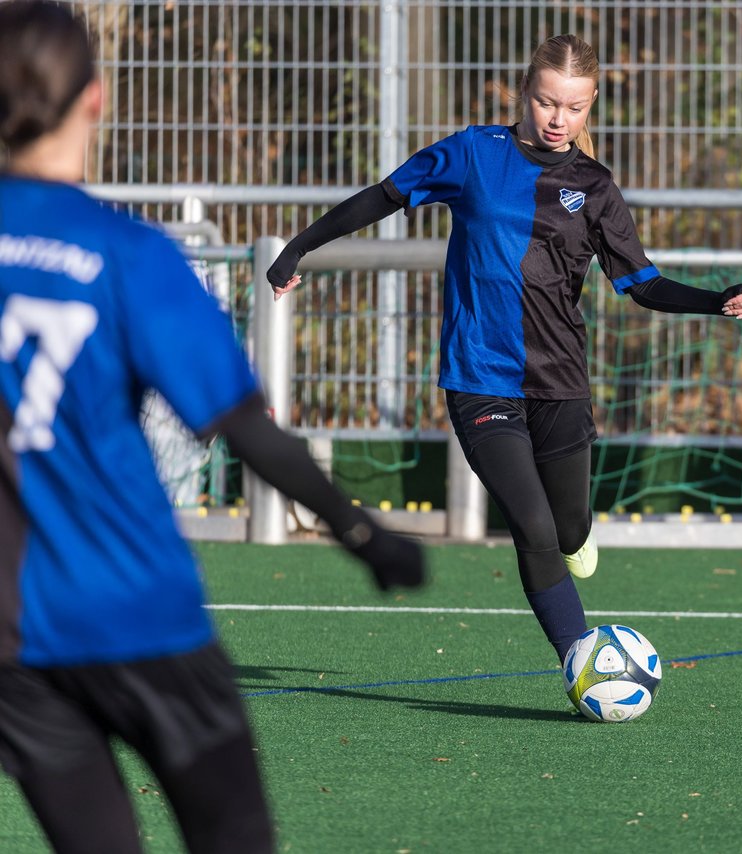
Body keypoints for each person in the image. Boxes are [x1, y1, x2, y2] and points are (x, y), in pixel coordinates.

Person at [0, 3, 426, 852]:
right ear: (96, 98)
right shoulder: (127, 254)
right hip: (139, 613)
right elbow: (246, 429)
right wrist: (362, 533)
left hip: (12, 644)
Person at [267, 35, 742, 661]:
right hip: (480, 378)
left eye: (574, 108)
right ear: (524, 94)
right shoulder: (473, 152)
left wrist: (716, 300)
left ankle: (577, 541)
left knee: (568, 528)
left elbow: (644, 284)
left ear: (591, 106)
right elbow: (383, 196)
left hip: (560, 381)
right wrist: (298, 247)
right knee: (532, 526)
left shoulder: (595, 187)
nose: (558, 119)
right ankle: (580, 656)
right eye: (547, 102)